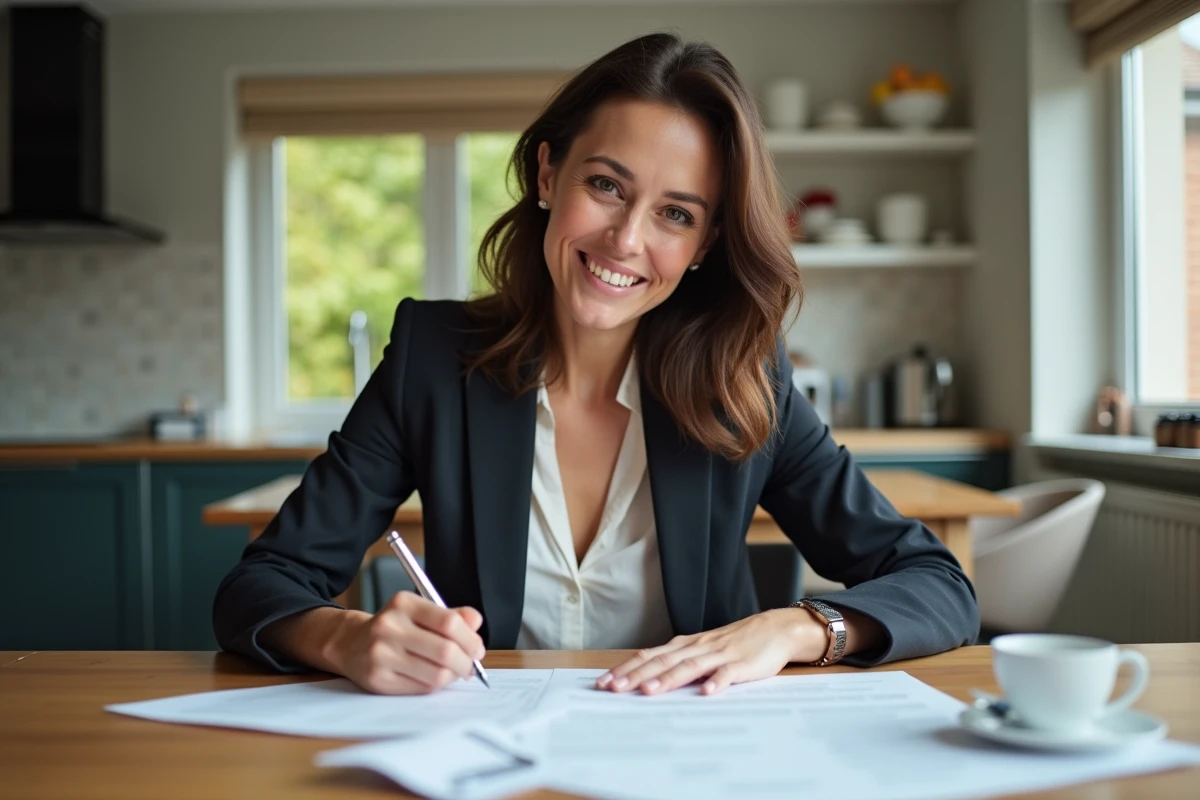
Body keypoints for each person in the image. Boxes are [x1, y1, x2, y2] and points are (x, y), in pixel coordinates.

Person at [213, 32, 978, 697]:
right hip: (486, 755)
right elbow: (260, 585)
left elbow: (939, 585)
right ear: (549, 175)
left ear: (705, 243)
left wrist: (793, 629)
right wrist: (344, 638)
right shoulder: (434, 360)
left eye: (675, 214)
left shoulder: (745, 379)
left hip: (690, 762)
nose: (626, 240)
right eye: (606, 185)